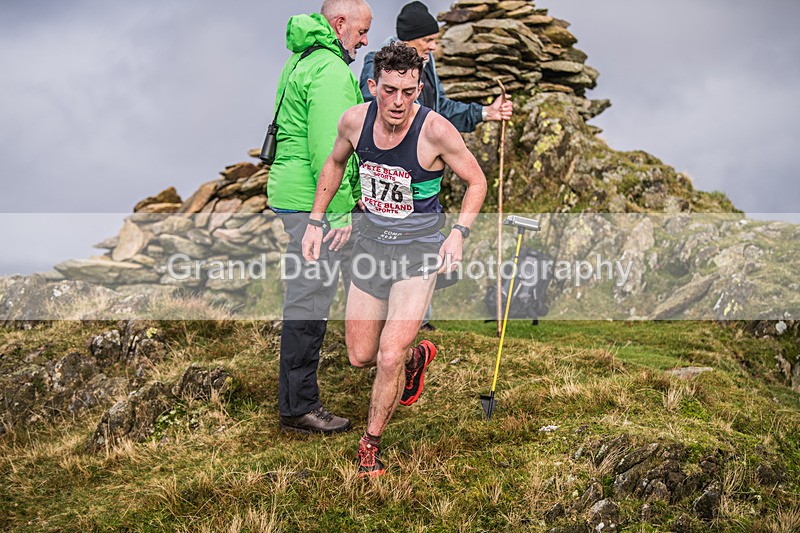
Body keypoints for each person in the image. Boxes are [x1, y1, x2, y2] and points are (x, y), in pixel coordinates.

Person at [302, 43, 487, 477]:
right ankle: (417, 357)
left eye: (408, 91)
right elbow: (333, 164)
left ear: (419, 89)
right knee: (360, 355)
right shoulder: (354, 121)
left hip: (418, 253)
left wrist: (458, 234)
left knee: (388, 356)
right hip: (369, 248)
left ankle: (370, 445)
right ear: (373, 87)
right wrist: (316, 220)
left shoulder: (436, 131)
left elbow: (476, 181)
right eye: (389, 90)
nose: (398, 101)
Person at [359, 0, 512, 331]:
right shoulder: (378, 65)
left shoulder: (426, 68)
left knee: (423, 240)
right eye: (428, 39)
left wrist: (486, 113)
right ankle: (389, 326)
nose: (433, 45)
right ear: (410, 38)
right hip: (388, 179)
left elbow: (441, 111)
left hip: (422, 179)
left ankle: (414, 326)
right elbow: (370, 117)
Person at [266, 0, 372, 434]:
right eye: (362, 30)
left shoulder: (302, 57)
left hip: (294, 194)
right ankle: (299, 407)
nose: (365, 40)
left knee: (307, 296)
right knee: (309, 301)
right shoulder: (329, 69)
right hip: (315, 201)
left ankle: (298, 400)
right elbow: (331, 152)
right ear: (340, 23)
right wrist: (339, 212)